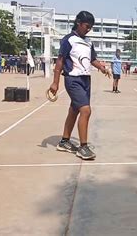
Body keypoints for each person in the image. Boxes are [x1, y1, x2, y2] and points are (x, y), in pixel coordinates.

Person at [49, 11, 111, 160]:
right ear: (78, 23)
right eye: (86, 26)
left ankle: (64, 141)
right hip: (73, 79)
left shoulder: (89, 42)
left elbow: (92, 59)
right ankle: (83, 147)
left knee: (74, 111)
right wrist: (55, 82)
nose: (88, 29)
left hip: (85, 80)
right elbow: (60, 61)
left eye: (90, 27)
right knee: (86, 110)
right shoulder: (68, 40)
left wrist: (102, 67)